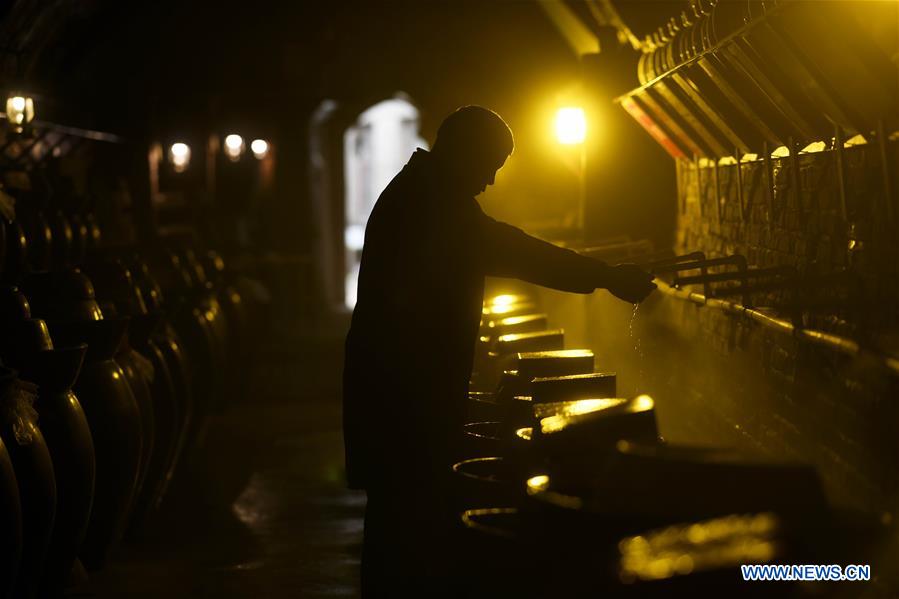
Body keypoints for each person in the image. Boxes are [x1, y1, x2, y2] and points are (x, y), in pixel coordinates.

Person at [342, 105, 655, 596]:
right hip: (404, 404)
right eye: (490, 164)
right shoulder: (432, 204)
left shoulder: (421, 192)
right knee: (405, 537)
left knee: (397, 530)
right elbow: (517, 251)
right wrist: (607, 277)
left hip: (398, 396)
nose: (490, 181)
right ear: (464, 151)